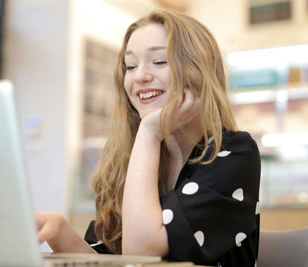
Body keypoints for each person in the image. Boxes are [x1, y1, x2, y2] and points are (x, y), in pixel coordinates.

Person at [34, 10, 261, 267]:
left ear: (197, 72)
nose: (139, 76)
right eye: (130, 66)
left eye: (160, 61)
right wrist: (60, 231)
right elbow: (115, 262)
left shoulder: (234, 152)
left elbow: (140, 253)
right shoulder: (130, 157)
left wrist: (150, 132)